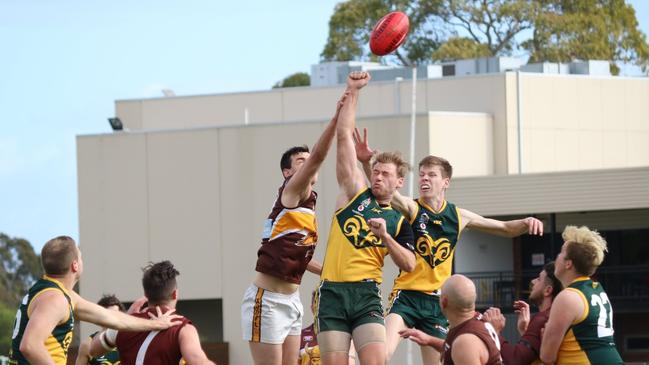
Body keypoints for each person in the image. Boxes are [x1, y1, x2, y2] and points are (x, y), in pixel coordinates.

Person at [353, 128, 544, 364]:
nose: (424, 179)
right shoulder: (413, 208)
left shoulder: (458, 216)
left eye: (431, 175)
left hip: (438, 303)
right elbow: (386, 191)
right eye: (421, 174)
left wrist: (526, 222)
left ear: (445, 182)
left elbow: (504, 228)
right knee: (381, 356)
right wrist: (366, 163)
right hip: (407, 296)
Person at [241, 90, 349, 365]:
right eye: (301, 162)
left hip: (292, 300)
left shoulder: (308, 205)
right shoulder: (291, 193)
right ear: (288, 173)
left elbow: (300, 255)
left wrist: (331, 272)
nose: (309, 163)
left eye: (307, 160)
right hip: (267, 301)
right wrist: (337, 119)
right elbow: (319, 157)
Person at [316, 71, 416, 365]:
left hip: (366, 293)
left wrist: (385, 237)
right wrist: (353, 90)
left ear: (399, 182)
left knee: (375, 361)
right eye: (376, 170)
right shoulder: (354, 194)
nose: (378, 176)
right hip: (332, 291)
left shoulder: (399, 222)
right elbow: (343, 135)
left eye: (386, 174)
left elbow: (409, 264)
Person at [9, 236, 179, 365]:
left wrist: (153, 323)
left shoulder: (59, 294)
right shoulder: (55, 299)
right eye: (81, 256)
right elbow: (30, 346)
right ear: (75, 265)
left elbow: (111, 318)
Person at [90, 260, 215, 365]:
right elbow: (197, 360)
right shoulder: (182, 328)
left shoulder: (123, 326)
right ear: (175, 293)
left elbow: (93, 350)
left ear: (146, 295)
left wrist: (126, 317)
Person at [540, 226, 623, 364]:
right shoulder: (597, 289)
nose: (556, 257)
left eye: (561, 253)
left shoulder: (568, 297)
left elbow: (547, 357)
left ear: (568, 264)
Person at [400, 274, 502, 365]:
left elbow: (461, 347)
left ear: (444, 302)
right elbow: (451, 347)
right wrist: (429, 340)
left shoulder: (465, 342)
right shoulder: (476, 323)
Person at [483, 261, 563, 365]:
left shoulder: (542, 318)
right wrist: (525, 331)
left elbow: (515, 359)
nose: (533, 281)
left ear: (547, 291)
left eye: (539, 279)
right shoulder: (552, 315)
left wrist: (494, 331)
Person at [298, 291, 355, 365]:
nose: (321, 309)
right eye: (317, 304)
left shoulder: (346, 337)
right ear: (312, 307)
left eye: (325, 305)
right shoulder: (300, 335)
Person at [75, 294, 126, 365]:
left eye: (115, 314)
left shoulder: (129, 341)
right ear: (99, 317)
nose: (112, 318)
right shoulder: (88, 344)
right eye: (107, 314)